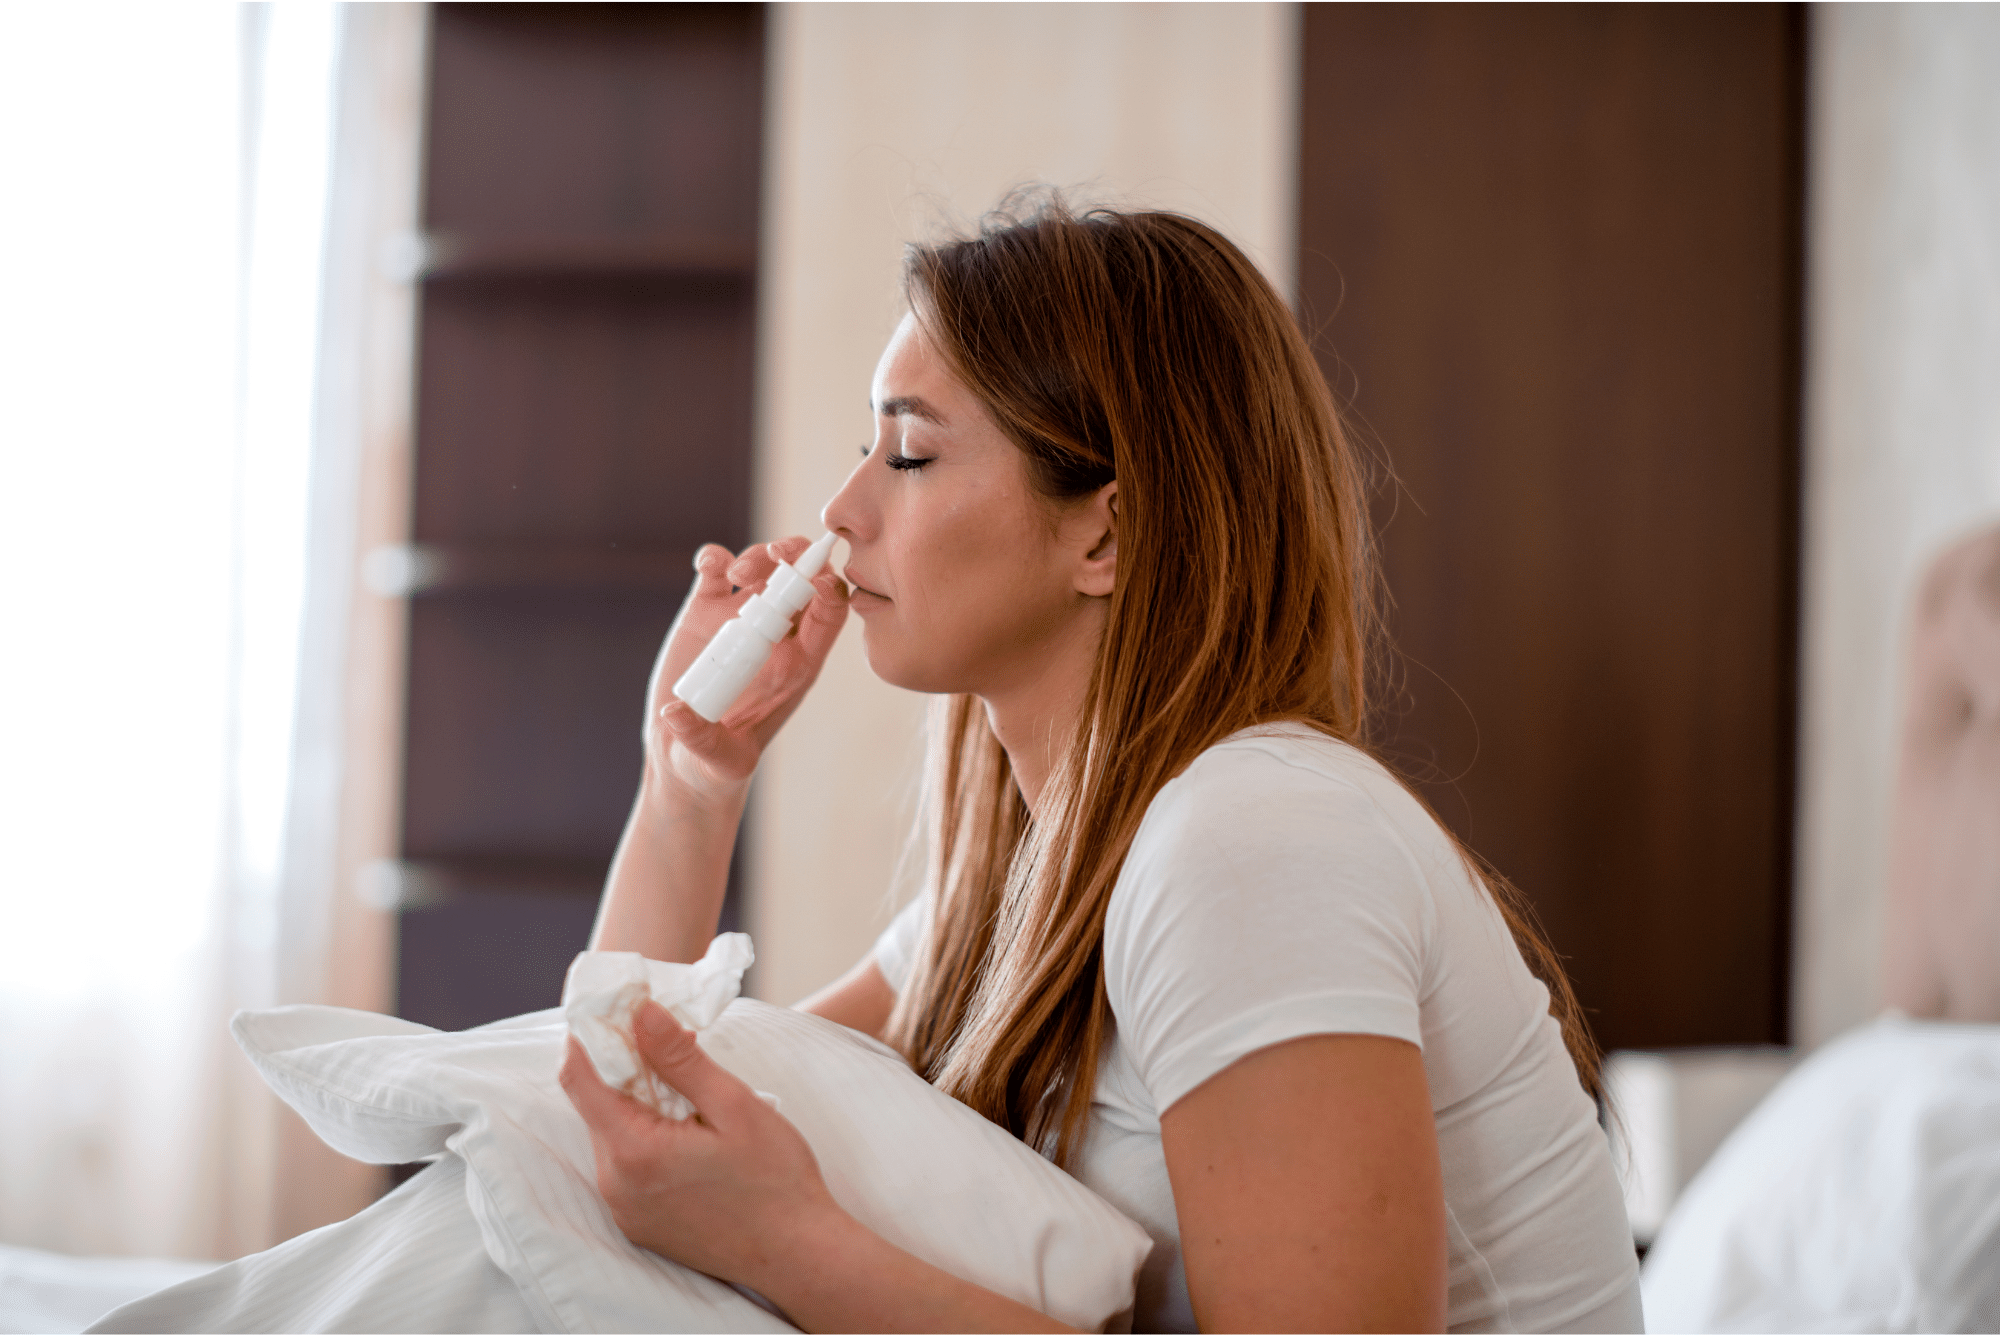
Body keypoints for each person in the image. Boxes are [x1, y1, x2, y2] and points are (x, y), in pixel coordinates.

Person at [558, 197, 1643, 1333]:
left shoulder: (1251, 841)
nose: (841, 510)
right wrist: (689, 782)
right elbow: (640, 1123)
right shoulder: (1040, 878)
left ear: (1106, 537)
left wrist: (787, 1243)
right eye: (864, 449)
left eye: (912, 453)